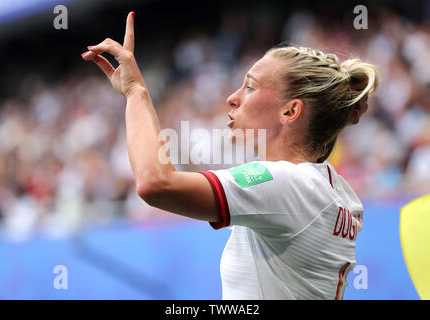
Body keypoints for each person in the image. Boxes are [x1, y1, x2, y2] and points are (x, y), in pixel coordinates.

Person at [81, 12, 380, 300]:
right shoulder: (332, 189)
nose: (232, 97)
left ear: (290, 111)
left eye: (250, 86)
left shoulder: (288, 183)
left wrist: (135, 92)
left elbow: (156, 184)